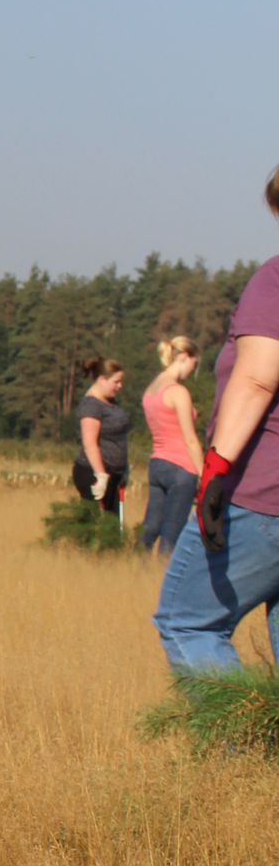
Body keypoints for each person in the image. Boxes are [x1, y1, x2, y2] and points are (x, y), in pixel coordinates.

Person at [153, 169, 279, 671]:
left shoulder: (275, 279)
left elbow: (257, 381)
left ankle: (240, 746)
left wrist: (216, 469)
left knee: (188, 622)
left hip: (263, 495)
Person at [139, 337, 203, 557]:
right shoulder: (178, 392)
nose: (193, 372)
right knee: (171, 536)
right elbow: (190, 439)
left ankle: (134, 572)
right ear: (184, 357)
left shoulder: (151, 390)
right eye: (194, 365)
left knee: (149, 530)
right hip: (181, 469)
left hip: (157, 465)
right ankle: (163, 582)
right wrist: (205, 475)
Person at [71, 357, 129, 518]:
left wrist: (123, 469)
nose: (120, 386)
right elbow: (90, 444)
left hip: (114, 475)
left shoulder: (110, 402)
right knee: (95, 523)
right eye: (116, 382)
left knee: (112, 524)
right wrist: (101, 476)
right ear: (102, 379)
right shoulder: (91, 405)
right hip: (93, 474)